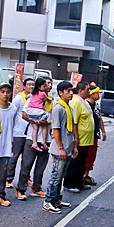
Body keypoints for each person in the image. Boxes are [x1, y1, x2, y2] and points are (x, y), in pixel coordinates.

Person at [43, 81, 76, 214]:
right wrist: (61, 148)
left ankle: (56, 199)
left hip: (68, 148)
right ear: (60, 93)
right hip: (59, 149)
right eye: (68, 91)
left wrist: (74, 147)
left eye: (71, 90)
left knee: (61, 176)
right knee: (56, 176)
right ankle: (48, 201)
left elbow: (71, 130)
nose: (71, 93)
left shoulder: (69, 108)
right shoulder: (58, 108)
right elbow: (55, 129)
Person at [64, 82, 95, 192]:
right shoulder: (76, 101)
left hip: (87, 139)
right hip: (80, 138)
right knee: (76, 162)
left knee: (82, 162)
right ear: (81, 90)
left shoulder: (84, 101)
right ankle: (70, 183)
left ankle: (79, 181)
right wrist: (76, 138)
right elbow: (75, 123)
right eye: (87, 90)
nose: (89, 92)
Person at [6, 78, 35, 188]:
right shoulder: (19, 98)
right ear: (24, 86)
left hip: (29, 133)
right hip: (18, 132)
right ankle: (8, 178)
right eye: (29, 85)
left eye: (33, 85)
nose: (31, 87)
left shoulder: (35, 98)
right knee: (14, 156)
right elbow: (12, 114)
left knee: (27, 159)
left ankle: (26, 178)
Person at [84, 84, 106, 186]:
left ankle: (87, 174)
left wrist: (103, 131)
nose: (99, 94)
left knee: (92, 155)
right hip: (87, 135)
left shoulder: (96, 105)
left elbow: (99, 118)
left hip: (95, 134)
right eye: (97, 93)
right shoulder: (85, 104)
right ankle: (83, 175)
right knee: (86, 155)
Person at [24, 78, 51, 151]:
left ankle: (34, 143)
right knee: (44, 125)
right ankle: (44, 143)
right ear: (39, 87)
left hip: (30, 112)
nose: (47, 87)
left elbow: (26, 97)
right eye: (45, 86)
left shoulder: (32, 94)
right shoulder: (43, 94)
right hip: (38, 112)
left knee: (35, 128)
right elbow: (47, 99)